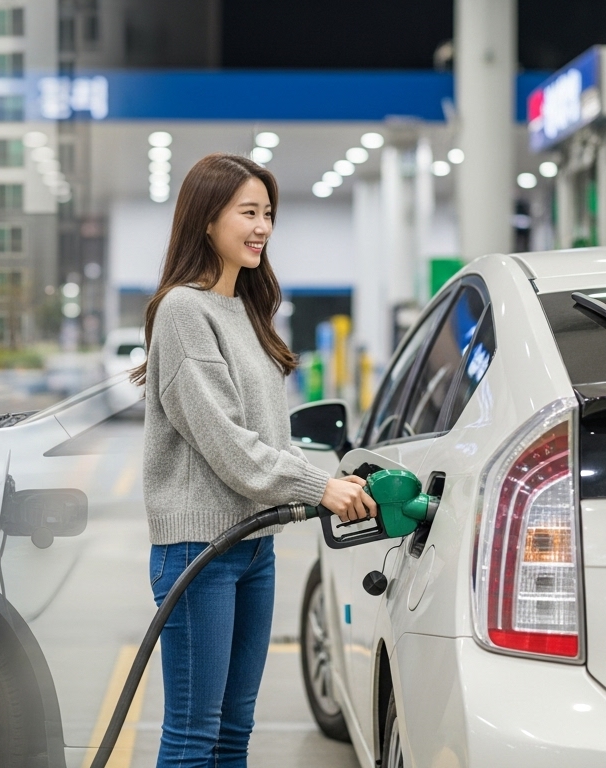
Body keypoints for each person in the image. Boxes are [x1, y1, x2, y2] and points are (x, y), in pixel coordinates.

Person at [132, 153, 374, 767]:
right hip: (199, 551)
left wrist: (331, 478)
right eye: (248, 212)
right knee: (194, 734)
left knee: (235, 729)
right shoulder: (183, 311)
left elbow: (269, 435)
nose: (263, 226)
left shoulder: (246, 310)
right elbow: (228, 445)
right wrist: (319, 488)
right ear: (207, 219)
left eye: (268, 213)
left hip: (252, 545)